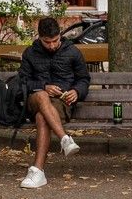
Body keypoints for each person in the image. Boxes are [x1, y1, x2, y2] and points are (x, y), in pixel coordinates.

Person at [16, 17, 91, 189]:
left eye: (55, 40)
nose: (52, 45)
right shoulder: (30, 53)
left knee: (42, 118)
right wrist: (44, 86)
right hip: (33, 100)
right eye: (47, 42)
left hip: (61, 102)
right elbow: (22, 83)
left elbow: (84, 79)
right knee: (42, 95)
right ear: (40, 37)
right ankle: (64, 139)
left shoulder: (72, 52)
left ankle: (37, 171)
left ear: (60, 36)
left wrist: (77, 91)